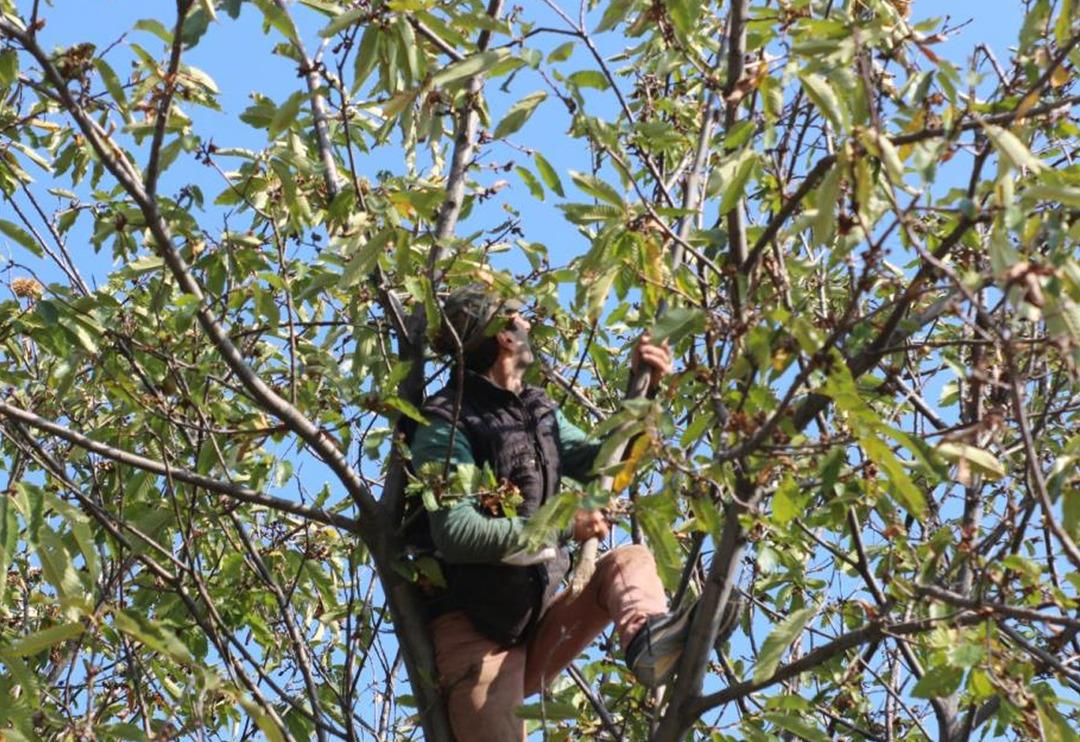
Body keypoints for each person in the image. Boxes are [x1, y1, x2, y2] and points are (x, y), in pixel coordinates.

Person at [407, 285, 737, 742]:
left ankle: (650, 640)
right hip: (476, 640)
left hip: (536, 625)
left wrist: (648, 394)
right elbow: (455, 532)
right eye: (521, 318)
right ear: (505, 335)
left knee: (630, 561)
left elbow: (608, 466)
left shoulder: (537, 410)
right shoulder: (446, 422)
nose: (528, 325)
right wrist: (562, 526)